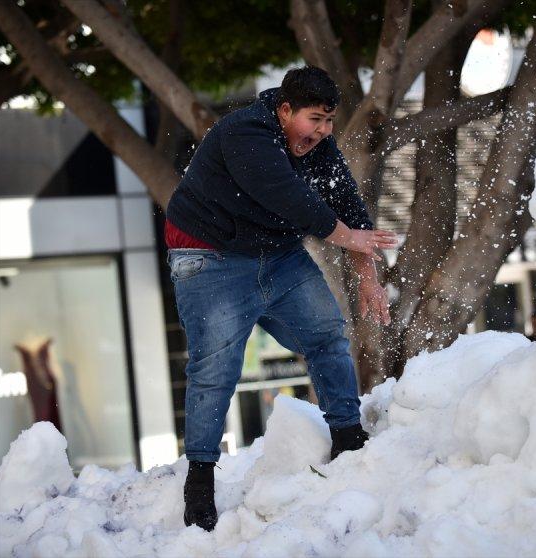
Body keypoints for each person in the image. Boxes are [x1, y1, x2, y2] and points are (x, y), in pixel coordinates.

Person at [164, 66, 398, 531]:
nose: (323, 132)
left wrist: (368, 277)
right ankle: (200, 479)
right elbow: (291, 199)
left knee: (327, 334)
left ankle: (348, 437)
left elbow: (350, 210)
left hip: (277, 254)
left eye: (330, 121)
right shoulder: (245, 134)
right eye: (315, 120)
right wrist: (347, 239)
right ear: (285, 109)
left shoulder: (318, 146)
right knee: (215, 370)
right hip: (210, 256)